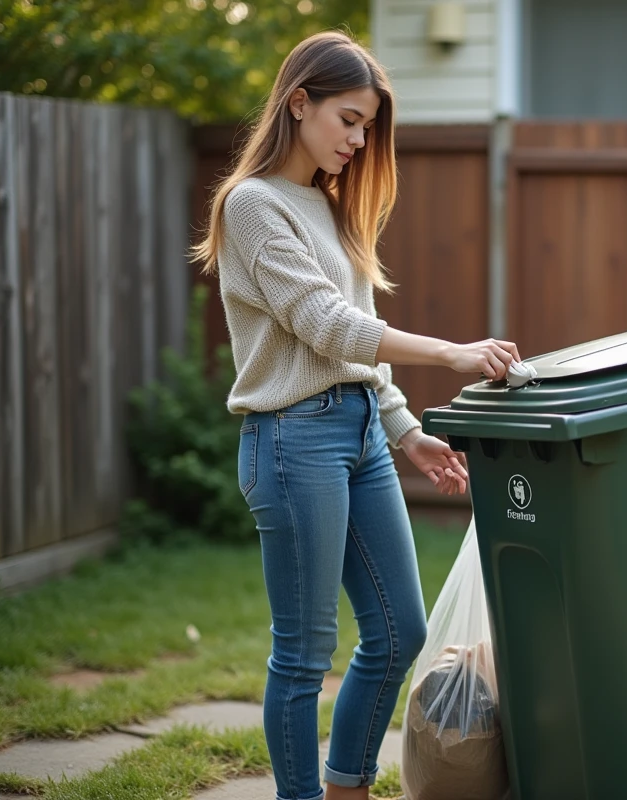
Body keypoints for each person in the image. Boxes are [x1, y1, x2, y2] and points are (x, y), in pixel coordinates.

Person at [190, 30, 521, 800]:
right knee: (305, 653)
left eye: (368, 125)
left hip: (362, 433)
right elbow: (326, 326)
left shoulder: (331, 208)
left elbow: (358, 345)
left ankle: (347, 787)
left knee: (399, 628)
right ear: (298, 103)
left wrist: (404, 431)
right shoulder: (251, 206)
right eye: (348, 119)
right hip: (292, 441)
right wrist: (453, 353)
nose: (358, 139)